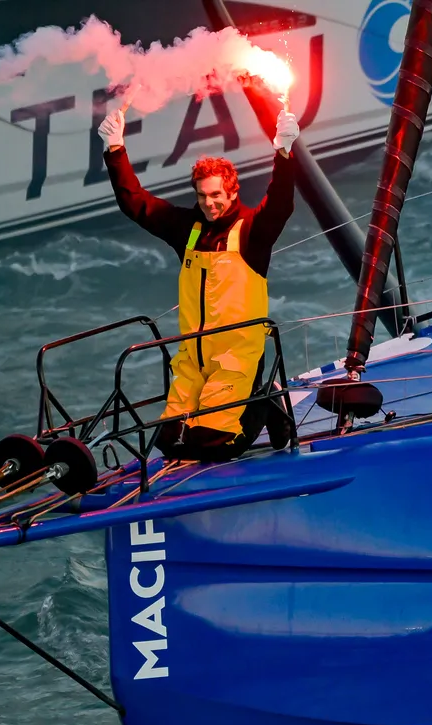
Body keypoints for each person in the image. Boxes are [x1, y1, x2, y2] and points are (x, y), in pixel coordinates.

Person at [97, 103, 300, 462]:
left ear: (232, 193)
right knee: (168, 443)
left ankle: (268, 399)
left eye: (216, 195)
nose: (209, 204)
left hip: (236, 361)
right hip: (193, 360)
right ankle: (255, 402)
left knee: (212, 446)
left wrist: (283, 152)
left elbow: (282, 203)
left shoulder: (252, 230)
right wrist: (115, 149)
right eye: (202, 195)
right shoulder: (188, 229)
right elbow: (137, 205)